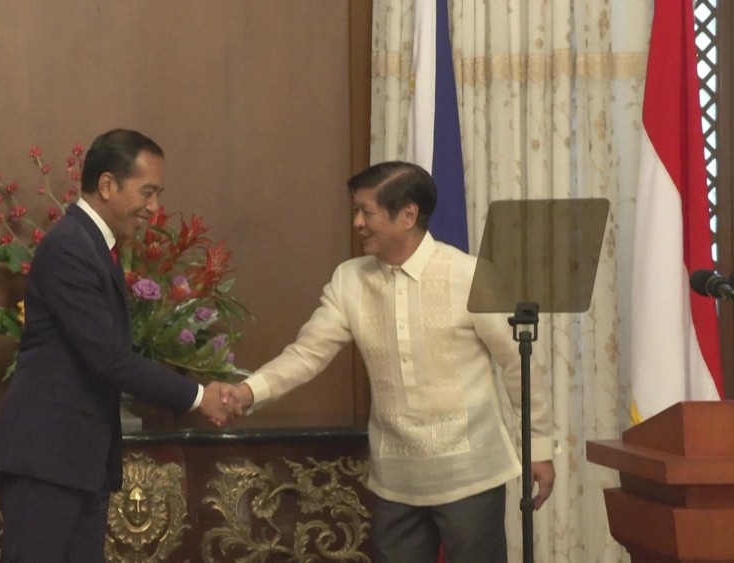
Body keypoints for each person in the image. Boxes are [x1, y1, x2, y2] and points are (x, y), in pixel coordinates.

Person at [233, 161, 554, 563]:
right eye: (356, 211)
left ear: (408, 215)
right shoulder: (350, 280)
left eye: (366, 212)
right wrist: (247, 392)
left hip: (470, 475)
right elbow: (307, 354)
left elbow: (518, 364)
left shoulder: (470, 275)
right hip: (396, 482)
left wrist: (538, 446)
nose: (357, 223)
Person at [0, 128, 241, 562]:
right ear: (107, 184)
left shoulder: (93, 246)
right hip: (47, 462)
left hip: (76, 463)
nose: (154, 207)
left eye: (157, 195)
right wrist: (200, 396)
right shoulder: (70, 247)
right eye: (147, 192)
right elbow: (109, 359)